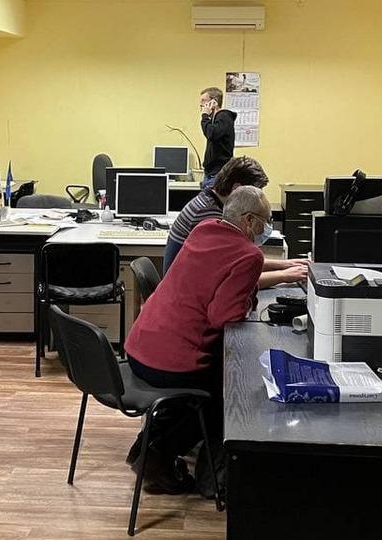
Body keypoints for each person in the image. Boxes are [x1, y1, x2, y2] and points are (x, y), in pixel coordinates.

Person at [123, 185, 272, 496]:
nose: (267, 228)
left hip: (140, 347)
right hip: (170, 362)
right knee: (230, 391)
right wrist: (248, 300)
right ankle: (191, 473)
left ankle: (145, 449)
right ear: (248, 220)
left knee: (214, 382)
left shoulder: (204, 229)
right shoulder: (249, 256)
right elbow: (223, 317)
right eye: (265, 221)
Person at [164, 156, 308, 287]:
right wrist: (284, 276)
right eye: (255, 192)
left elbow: (235, 262)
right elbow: (232, 280)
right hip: (185, 288)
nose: (258, 198)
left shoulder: (212, 200)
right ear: (237, 189)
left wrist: (284, 265)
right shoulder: (209, 215)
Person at [199, 87, 236, 189]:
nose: (201, 104)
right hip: (211, 173)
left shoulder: (224, 116)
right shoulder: (215, 119)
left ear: (214, 102)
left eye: (203, 100)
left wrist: (205, 116)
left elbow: (211, 134)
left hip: (217, 174)